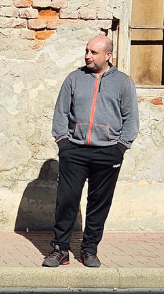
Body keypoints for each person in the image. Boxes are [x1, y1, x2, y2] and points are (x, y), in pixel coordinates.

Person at [45, 35, 139, 268]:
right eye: (87, 51)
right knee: (66, 201)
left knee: (99, 203)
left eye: (93, 52)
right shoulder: (74, 78)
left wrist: (120, 147)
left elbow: (131, 119)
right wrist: (63, 143)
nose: (87, 55)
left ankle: (89, 250)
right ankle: (60, 249)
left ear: (108, 55)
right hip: (74, 151)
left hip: (108, 152)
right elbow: (61, 113)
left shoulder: (124, 82)